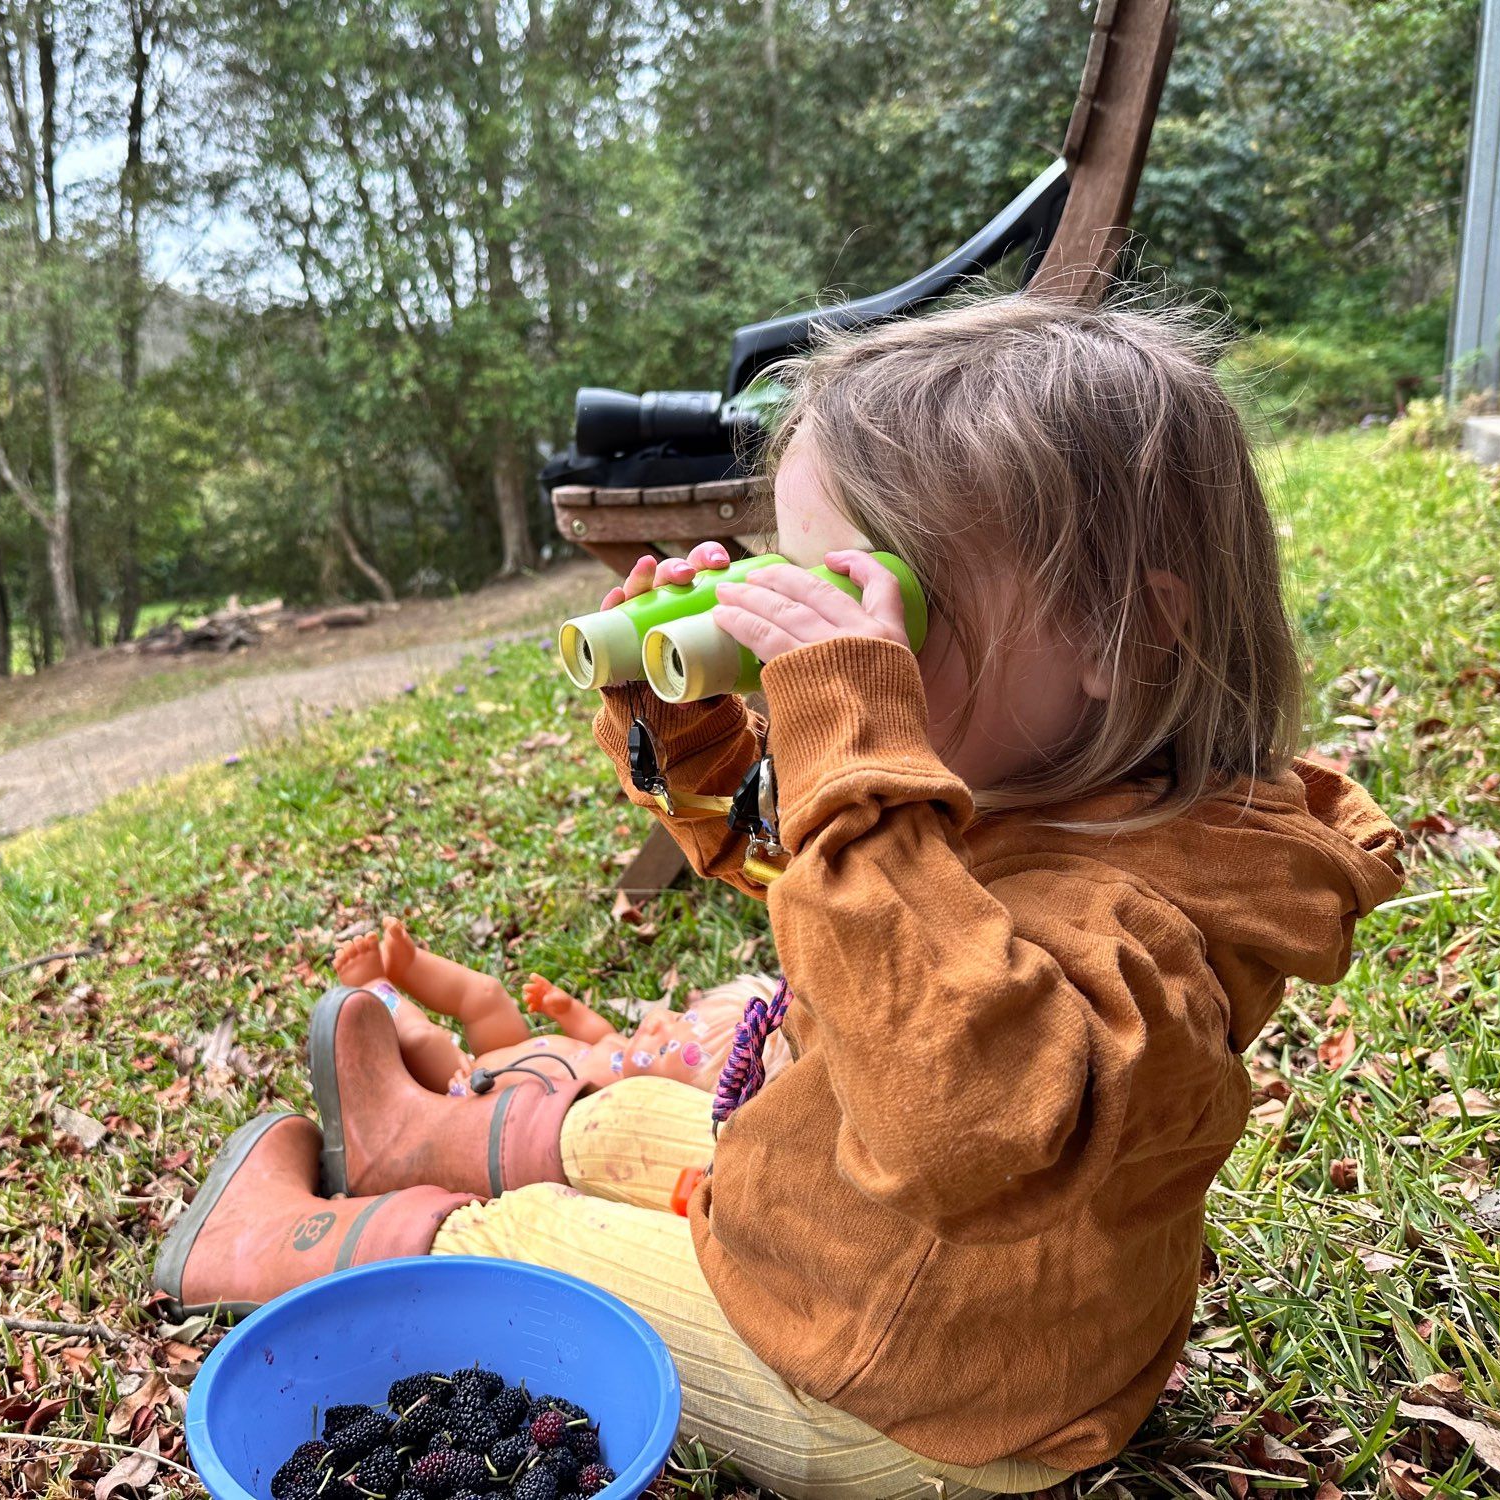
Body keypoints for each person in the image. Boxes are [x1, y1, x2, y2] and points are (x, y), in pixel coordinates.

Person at [152, 297, 1404, 1498]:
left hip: (905, 1390)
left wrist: (850, 741)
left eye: (875, 602)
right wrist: (693, 724)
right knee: (637, 1116)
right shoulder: (1025, 787)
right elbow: (809, 877)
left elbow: (955, 1120)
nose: (813, 644)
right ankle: (416, 1140)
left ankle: (282, 1250)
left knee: (523, 1245)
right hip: (867, 1244)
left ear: (1113, 635)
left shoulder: (1148, 919)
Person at [330, 914, 787, 1096]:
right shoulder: (626, 1056)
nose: (656, 1026)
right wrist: (566, 1010)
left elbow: (534, 1112)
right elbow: (598, 1034)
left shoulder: (609, 1099)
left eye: (665, 1048)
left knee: (427, 1041)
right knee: (487, 994)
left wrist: (475, 1090)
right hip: (516, 1045)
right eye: (680, 1019)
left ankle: (376, 988)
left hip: (474, 1083)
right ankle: (409, 965)